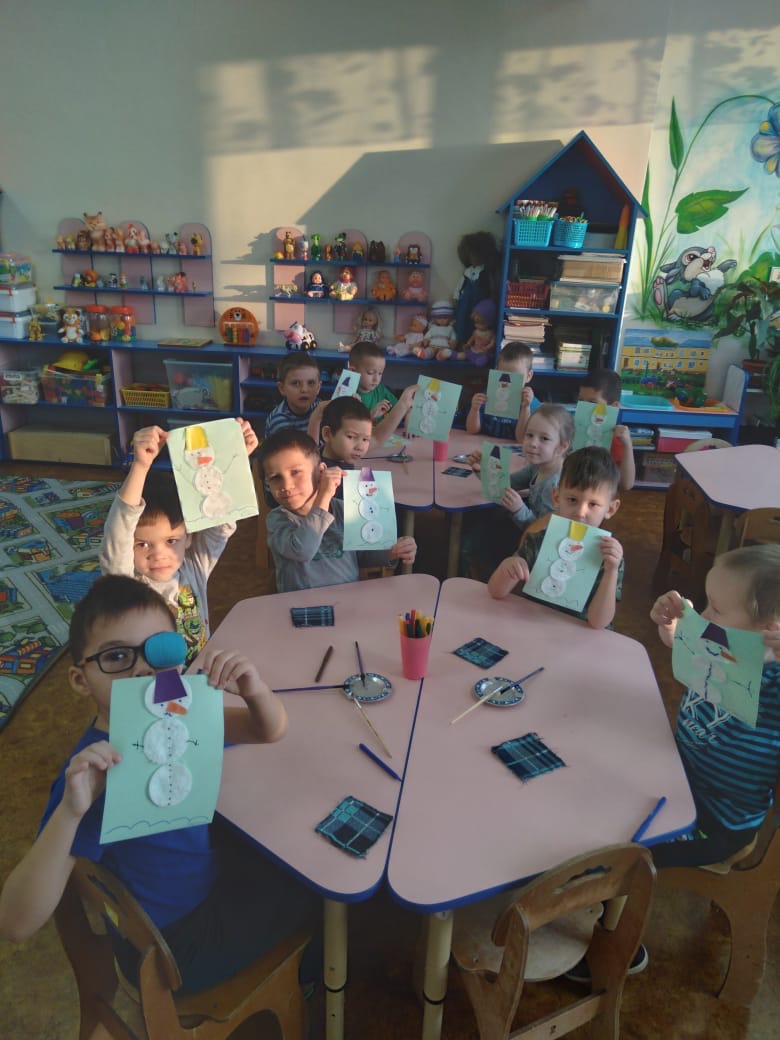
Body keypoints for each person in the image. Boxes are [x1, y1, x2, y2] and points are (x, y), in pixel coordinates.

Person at [0, 575, 318, 993]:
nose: (144, 669)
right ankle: (308, 982)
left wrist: (253, 690)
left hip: (198, 888)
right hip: (171, 950)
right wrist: (69, 814)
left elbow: (268, 730)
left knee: (284, 850)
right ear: (80, 680)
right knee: (314, 889)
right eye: (117, 657)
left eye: (160, 650)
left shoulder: (179, 715)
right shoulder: (91, 777)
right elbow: (16, 923)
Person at [649, 545, 780, 869]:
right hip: (675, 773)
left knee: (627, 853)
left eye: (717, 610)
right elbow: (682, 647)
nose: (705, 616)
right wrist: (671, 627)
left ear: (768, 630)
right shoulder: (724, 641)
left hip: (716, 821)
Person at [100, 420, 258, 664]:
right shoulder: (126, 584)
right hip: (151, 681)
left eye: (171, 540)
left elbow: (221, 520)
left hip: (199, 674)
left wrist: (234, 456)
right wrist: (140, 466)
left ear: (189, 537)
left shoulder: (195, 565)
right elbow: (119, 533)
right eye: (142, 544)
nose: (159, 555)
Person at [258, 429, 417, 592]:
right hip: (301, 604)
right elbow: (302, 550)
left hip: (347, 599)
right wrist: (324, 496)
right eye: (276, 478)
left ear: (321, 471)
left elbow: (362, 556)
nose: (287, 485)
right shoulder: (278, 520)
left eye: (295, 472)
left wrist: (392, 551)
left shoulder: (345, 509)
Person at [488, 446, 623, 630]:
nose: (580, 512)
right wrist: (507, 568)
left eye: (593, 504)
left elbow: (599, 623)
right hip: (534, 627)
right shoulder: (539, 540)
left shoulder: (610, 558)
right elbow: (496, 592)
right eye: (572, 500)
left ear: (610, 509)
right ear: (556, 497)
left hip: (579, 636)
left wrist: (611, 571)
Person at [462, 403, 574, 581]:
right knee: (479, 519)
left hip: (538, 547)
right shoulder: (538, 466)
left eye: (544, 439)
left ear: (562, 447)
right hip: (526, 527)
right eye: (529, 435)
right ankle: (475, 567)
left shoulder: (555, 486)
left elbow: (542, 534)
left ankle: (484, 575)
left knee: (482, 534)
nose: (533, 443)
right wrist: (483, 468)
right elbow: (507, 484)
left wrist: (518, 509)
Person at [465, 341, 539, 441]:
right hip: (484, 445)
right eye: (503, 375)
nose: (507, 382)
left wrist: (525, 408)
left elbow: (521, 438)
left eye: (516, 377)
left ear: (528, 376)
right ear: (496, 371)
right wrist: (475, 409)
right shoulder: (488, 396)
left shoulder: (532, 405)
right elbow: (472, 430)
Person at [578, 368, 635, 490]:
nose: (584, 407)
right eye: (580, 400)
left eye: (592, 402)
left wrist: (627, 445)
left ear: (613, 407)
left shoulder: (615, 438)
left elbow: (626, 484)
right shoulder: (575, 428)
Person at [348, 340, 416, 433]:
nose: (376, 379)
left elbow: (402, 409)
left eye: (380, 373)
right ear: (353, 371)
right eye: (370, 373)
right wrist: (371, 416)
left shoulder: (381, 390)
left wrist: (408, 413)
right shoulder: (347, 394)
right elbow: (348, 430)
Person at [264, 351, 322, 437]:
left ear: (318, 387)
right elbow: (308, 446)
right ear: (282, 388)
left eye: (311, 383)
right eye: (296, 383)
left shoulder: (318, 406)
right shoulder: (279, 421)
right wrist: (315, 419)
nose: (304, 390)